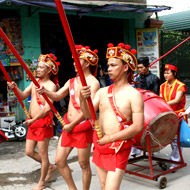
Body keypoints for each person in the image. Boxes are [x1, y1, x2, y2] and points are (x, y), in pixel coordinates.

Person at [79, 42, 144, 190]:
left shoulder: (134, 95)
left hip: (118, 145)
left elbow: (138, 126)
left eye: (113, 65)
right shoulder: (102, 92)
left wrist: (110, 138)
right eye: (108, 65)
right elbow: (87, 114)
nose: (108, 69)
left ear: (125, 67)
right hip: (100, 143)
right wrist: (82, 98)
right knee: (103, 185)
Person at [37, 45, 100, 190]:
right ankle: (73, 188)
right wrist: (45, 91)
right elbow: (58, 96)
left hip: (82, 127)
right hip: (68, 126)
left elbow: (89, 111)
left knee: (83, 164)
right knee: (59, 160)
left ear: (87, 63)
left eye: (78, 60)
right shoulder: (72, 81)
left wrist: (73, 125)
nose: (74, 63)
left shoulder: (93, 83)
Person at [7, 53, 60, 190]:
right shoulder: (34, 82)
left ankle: (42, 182)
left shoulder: (51, 86)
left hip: (42, 123)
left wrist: (34, 119)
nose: (38, 69)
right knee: (29, 152)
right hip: (32, 123)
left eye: (41, 67)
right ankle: (49, 166)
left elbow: (48, 108)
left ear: (49, 70)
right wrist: (15, 88)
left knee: (43, 154)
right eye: (38, 67)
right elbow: (24, 95)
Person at [132, 56, 160, 157]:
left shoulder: (154, 78)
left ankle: (151, 149)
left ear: (147, 67)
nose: (139, 70)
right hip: (138, 107)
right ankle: (135, 150)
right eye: (138, 68)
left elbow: (156, 95)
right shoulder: (136, 78)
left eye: (141, 67)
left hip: (150, 107)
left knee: (150, 129)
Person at [160, 64, 187, 170]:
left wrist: (163, 103)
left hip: (178, 114)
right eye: (164, 73)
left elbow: (176, 100)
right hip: (167, 114)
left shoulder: (181, 85)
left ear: (174, 74)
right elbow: (161, 98)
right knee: (169, 138)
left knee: (176, 140)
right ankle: (177, 157)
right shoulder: (162, 86)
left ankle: (174, 161)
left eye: (168, 73)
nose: (165, 75)